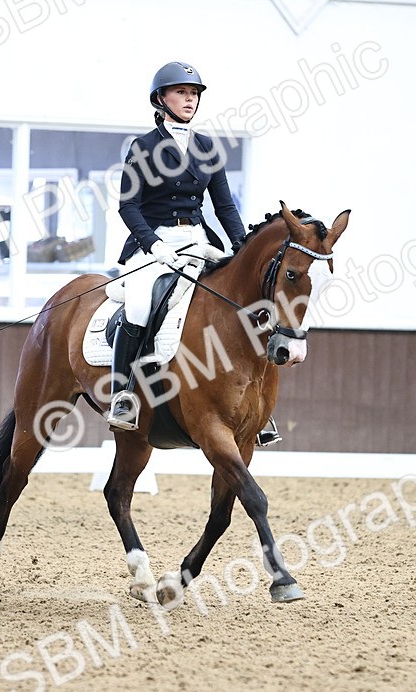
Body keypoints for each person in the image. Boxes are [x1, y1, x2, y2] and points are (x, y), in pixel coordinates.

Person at [110, 62, 280, 445]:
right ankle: (123, 394)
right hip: (152, 244)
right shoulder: (144, 147)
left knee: (242, 298)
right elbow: (128, 206)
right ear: (161, 99)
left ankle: (259, 407)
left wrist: (242, 248)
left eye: (194, 94)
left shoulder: (207, 148)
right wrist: (154, 245)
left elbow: (225, 207)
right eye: (182, 93)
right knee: (138, 305)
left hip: (198, 241)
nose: (190, 100)